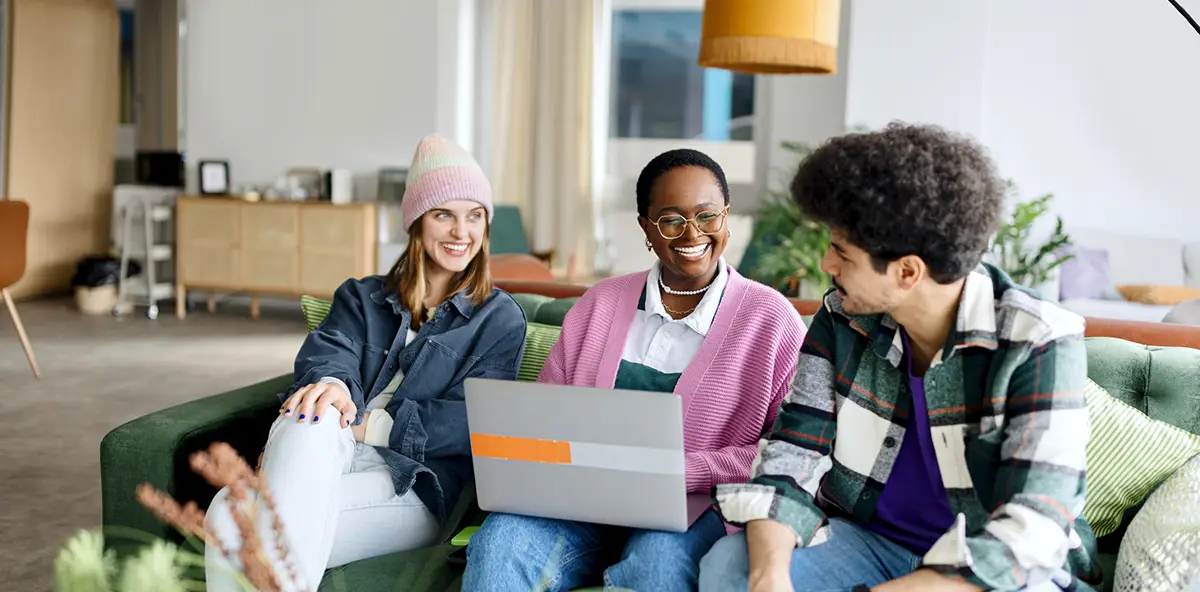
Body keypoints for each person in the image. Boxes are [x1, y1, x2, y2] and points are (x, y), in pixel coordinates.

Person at [699, 122, 1102, 592]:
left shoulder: (1039, 340)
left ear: (908, 271)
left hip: (986, 565)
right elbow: (792, 453)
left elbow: (1032, 531)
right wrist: (769, 578)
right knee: (732, 567)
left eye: (841, 253)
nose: (826, 266)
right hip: (871, 542)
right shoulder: (842, 317)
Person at [461, 149, 808, 592]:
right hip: (579, 504)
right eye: (671, 219)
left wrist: (682, 470)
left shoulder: (772, 319)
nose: (692, 233)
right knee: (501, 543)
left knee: (655, 565)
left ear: (726, 217)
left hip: (699, 507)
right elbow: (542, 420)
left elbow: (790, 453)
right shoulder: (599, 304)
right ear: (646, 227)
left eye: (707, 216)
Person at [203, 134, 528, 592]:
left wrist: (373, 427)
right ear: (417, 221)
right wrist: (333, 383)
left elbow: (473, 420)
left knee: (227, 515)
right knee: (315, 407)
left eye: (474, 216)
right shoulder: (361, 296)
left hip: (415, 480)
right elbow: (330, 350)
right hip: (328, 448)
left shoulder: (498, 319)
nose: (461, 232)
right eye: (444, 215)